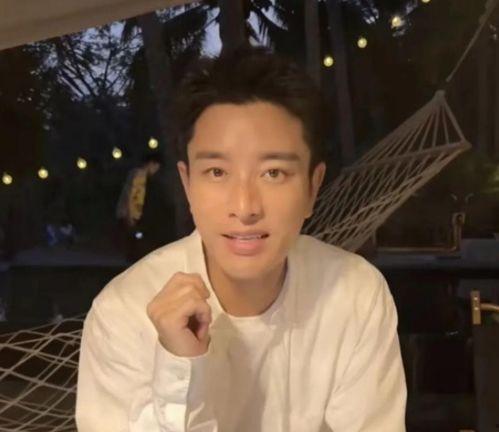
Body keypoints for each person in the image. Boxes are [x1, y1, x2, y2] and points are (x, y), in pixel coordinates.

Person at [76, 45, 407, 431]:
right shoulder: (124, 313)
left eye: (273, 173)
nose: (245, 206)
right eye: (217, 172)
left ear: (312, 188)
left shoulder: (354, 294)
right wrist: (179, 368)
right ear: (187, 183)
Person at [115, 153, 164, 261]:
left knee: (133, 245)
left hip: (127, 214)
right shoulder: (140, 175)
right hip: (132, 215)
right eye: (156, 167)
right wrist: (131, 216)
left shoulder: (134, 174)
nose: (156, 171)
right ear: (151, 164)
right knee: (136, 244)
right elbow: (134, 197)